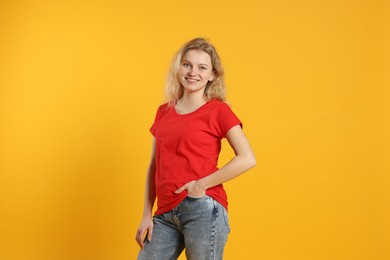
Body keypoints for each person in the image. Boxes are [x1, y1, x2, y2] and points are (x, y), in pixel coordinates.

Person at [135, 37, 256, 260]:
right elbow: (154, 165)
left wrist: (201, 185)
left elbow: (247, 158)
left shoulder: (218, 111)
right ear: (179, 67)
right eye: (187, 65)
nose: (193, 72)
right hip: (164, 213)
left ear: (212, 75)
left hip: (202, 208)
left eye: (202, 67)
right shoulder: (163, 111)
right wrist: (146, 214)